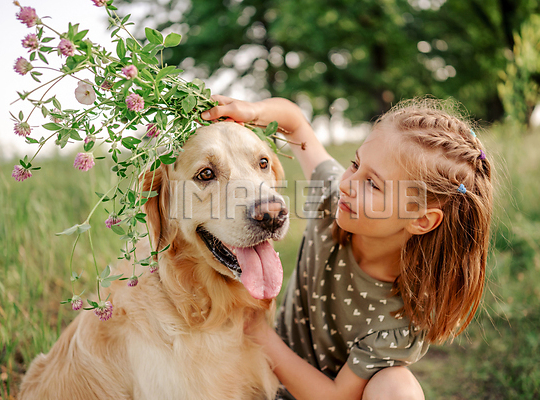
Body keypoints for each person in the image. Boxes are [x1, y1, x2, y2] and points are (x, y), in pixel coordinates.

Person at [202, 95, 493, 400]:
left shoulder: (399, 323)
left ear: (421, 220)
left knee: (398, 389)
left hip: (316, 391)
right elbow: (296, 126)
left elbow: (336, 396)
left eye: (373, 184)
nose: (346, 183)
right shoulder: (334, 203)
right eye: (355, 164)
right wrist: (252, 111)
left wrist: (261, 333)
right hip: (262, 379)